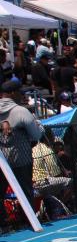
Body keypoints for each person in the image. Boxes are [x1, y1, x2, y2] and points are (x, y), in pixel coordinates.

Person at [0, 79, 45, 214]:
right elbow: (36, 135)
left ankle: (3, 223)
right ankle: (29, 221)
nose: (22, 95)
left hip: (2, 162)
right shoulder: (21, 111)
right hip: (22, 160)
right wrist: (39, 125)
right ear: (13, 93)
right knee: (26, 194)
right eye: (20, 92)